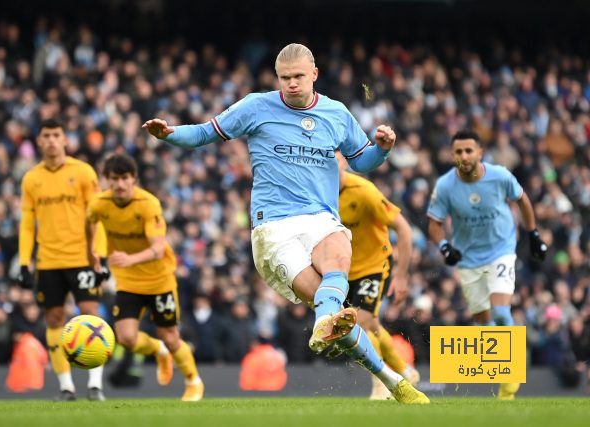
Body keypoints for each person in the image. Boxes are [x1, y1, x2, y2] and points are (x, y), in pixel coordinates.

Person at [143, 43, 428, 404]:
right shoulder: (255, 106)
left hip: (321, 218)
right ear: (277, 78)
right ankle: (384, 372)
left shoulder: (336, 114)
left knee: (338, 271)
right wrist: (170, 134)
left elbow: (362, 162)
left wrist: (383, 148)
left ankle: (394, 383)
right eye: (284, 78)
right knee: (335, 311)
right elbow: (204, 133)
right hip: (273, 228)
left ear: (314, 75)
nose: (291, 84)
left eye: (298, 77)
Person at [427, 129, 548, 400]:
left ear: (480, 152)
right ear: (452, 155)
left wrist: (533, 234)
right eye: (458, 151)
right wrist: (444, 247)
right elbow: (434, 224)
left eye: (469, 150)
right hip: (468, 260)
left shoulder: (500, 176)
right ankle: (507, 368)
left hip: (501, 251)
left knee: (502, 312)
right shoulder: (445, 186)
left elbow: (523, 200)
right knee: (484, 326)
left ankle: (511, 378)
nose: (464, 156)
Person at [86, 153, 203, 401]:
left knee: (171, 337)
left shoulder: (148, 204)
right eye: (114, 178)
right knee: (126, 338)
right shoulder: (98, 204)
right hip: (128, 282)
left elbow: (158, 249)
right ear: (107, 179)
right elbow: (91, 223)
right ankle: (157, 349)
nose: (119, 184)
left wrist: (130, 259)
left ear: (134, 179)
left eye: (125, 178)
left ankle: (193, 381)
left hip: (159, 280)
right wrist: (94, 253)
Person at [18, 119, 107, 401]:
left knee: (90, 313)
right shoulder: (32, 178)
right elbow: (27, 224)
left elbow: (97, 217)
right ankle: (66, 387)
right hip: (48, 261)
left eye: (57, 135)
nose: (53, 140)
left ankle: (95, 385)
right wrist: (23, 262)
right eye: (47, 136)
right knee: (54, 318)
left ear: (65, 140)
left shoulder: (83, 172)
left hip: (81, 257)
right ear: (40, 141)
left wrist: (100, 256)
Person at [336, 153, 420, 400]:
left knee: (361, 322)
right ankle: (405, 371)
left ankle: (381, 382)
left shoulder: (364, 191)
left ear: (343, 164)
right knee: (370, 324)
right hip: (342, 269)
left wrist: (402, 275)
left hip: (374, 265)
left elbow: (403, 228)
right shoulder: (317, 193)